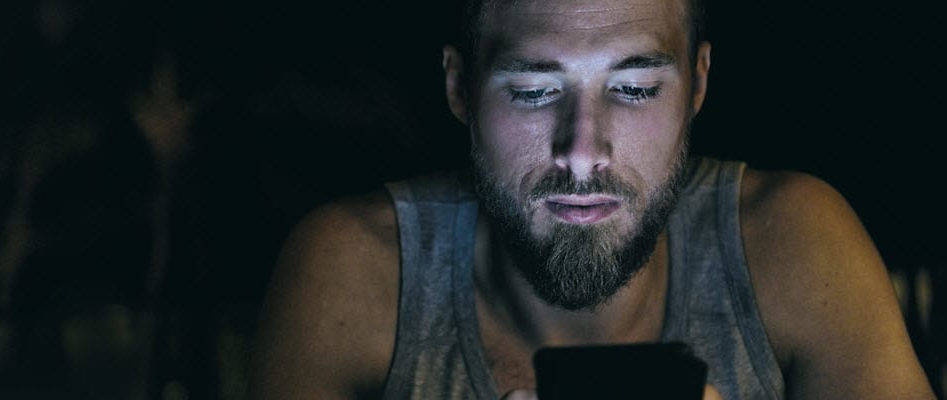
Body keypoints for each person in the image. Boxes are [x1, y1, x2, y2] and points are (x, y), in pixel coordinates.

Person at [247, 0, 936, 398]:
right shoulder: (356, 271)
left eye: (634, 89)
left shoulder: (792, 244)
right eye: (533, 90)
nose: (581, 150)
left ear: (697, 85)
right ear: (459, 89)